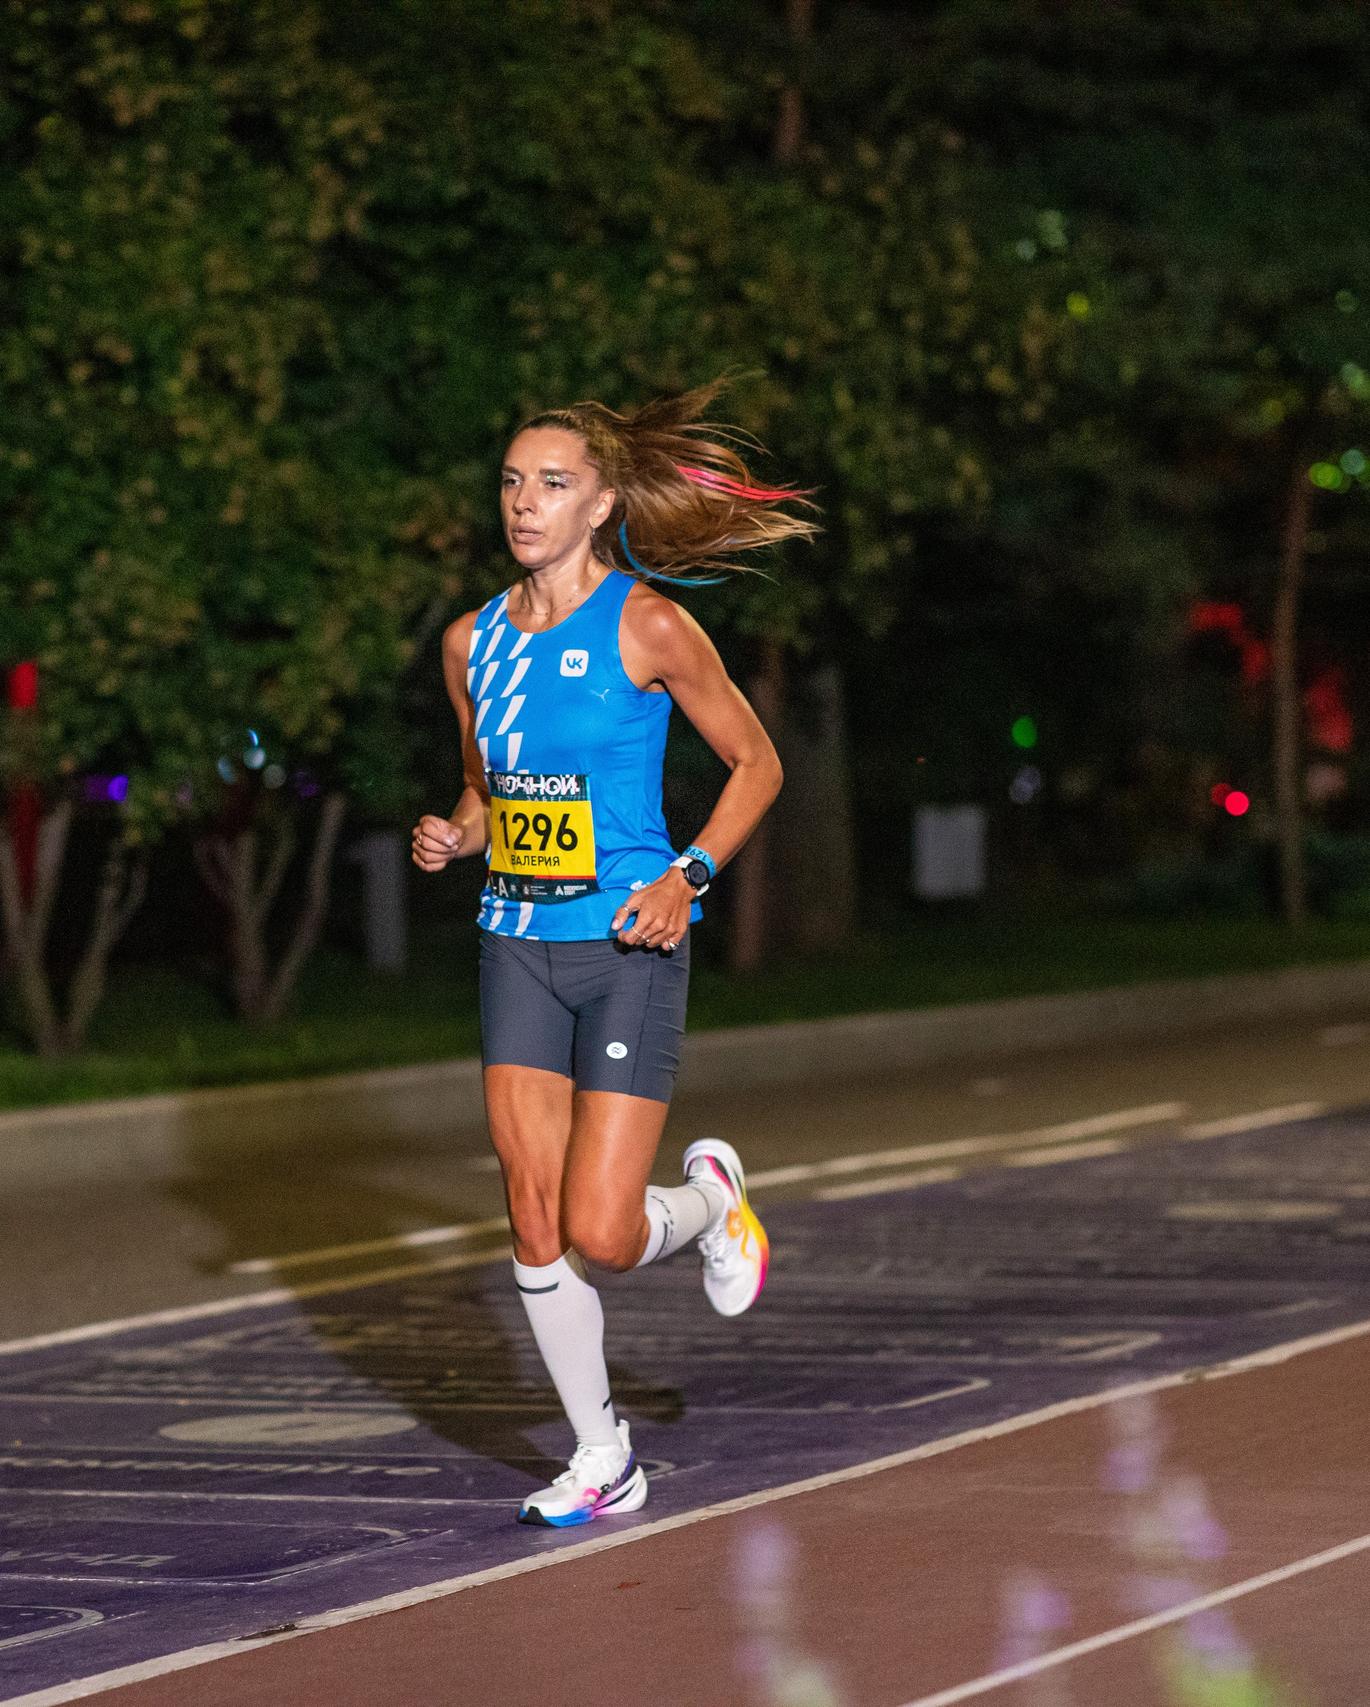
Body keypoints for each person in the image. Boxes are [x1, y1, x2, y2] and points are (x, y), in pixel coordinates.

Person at [412, 379, 818, 1527]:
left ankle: (706, 1202)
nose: (523, 503)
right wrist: (458, 833)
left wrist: (685, 879)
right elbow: (491, 791)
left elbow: (757, 765)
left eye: (551, 484)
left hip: (628, 945)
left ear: (598, 507)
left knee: (602, 1228)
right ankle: (603, 1455)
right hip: (517, 945)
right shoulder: (470, 643)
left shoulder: (646, 625)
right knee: (532, 1213)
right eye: (510, 481)